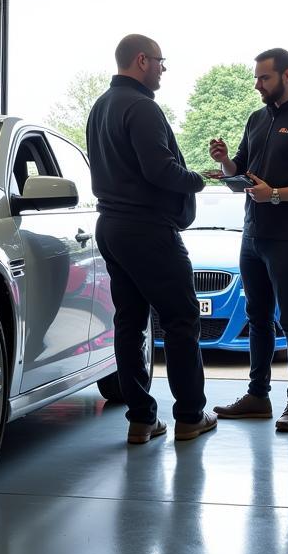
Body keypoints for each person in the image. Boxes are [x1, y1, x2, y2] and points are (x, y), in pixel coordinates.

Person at [86, 34, 217, 445]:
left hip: (111, 226)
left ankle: (141, 420)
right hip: (147, 229)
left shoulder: (101, 107)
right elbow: (159, 170)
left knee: (129, 324)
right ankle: (191, 416)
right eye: (161, 61)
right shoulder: (142, 107)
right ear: (141, 60)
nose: (163, 68)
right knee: (181, 320)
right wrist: (198, 179)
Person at [208, 47, 288, 432]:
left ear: (287, 75)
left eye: (264, 78)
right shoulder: (256, 119)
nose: (257, 85)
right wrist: (226, 164)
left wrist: (276, 193)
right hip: (253, 235)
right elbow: (245, 175)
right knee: (257, 318)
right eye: (256, 78)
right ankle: (257, 396)